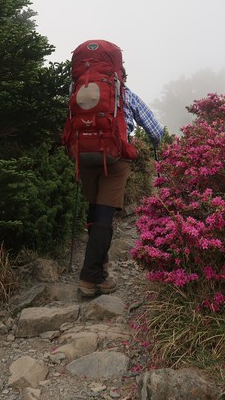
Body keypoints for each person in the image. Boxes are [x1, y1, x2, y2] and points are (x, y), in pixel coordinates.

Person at [78, 71, 164, 297]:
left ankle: (101, 268)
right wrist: (156, 143)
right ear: (120, 76)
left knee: (94, 211)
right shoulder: (126, 95)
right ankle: (90, 278)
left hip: (84, 157)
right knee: (104, 216)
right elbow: (155, 130)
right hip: (115, 160)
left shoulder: (79, 92)